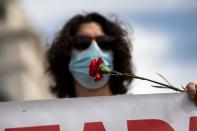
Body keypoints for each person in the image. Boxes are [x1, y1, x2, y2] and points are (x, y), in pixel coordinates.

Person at [46, 12, 197, 105]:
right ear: (66, 54)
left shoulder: (142, 114)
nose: (94, 49)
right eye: (82, 42)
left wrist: (190, 105)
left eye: (103, 42)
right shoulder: (45, 121)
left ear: (115, 53)